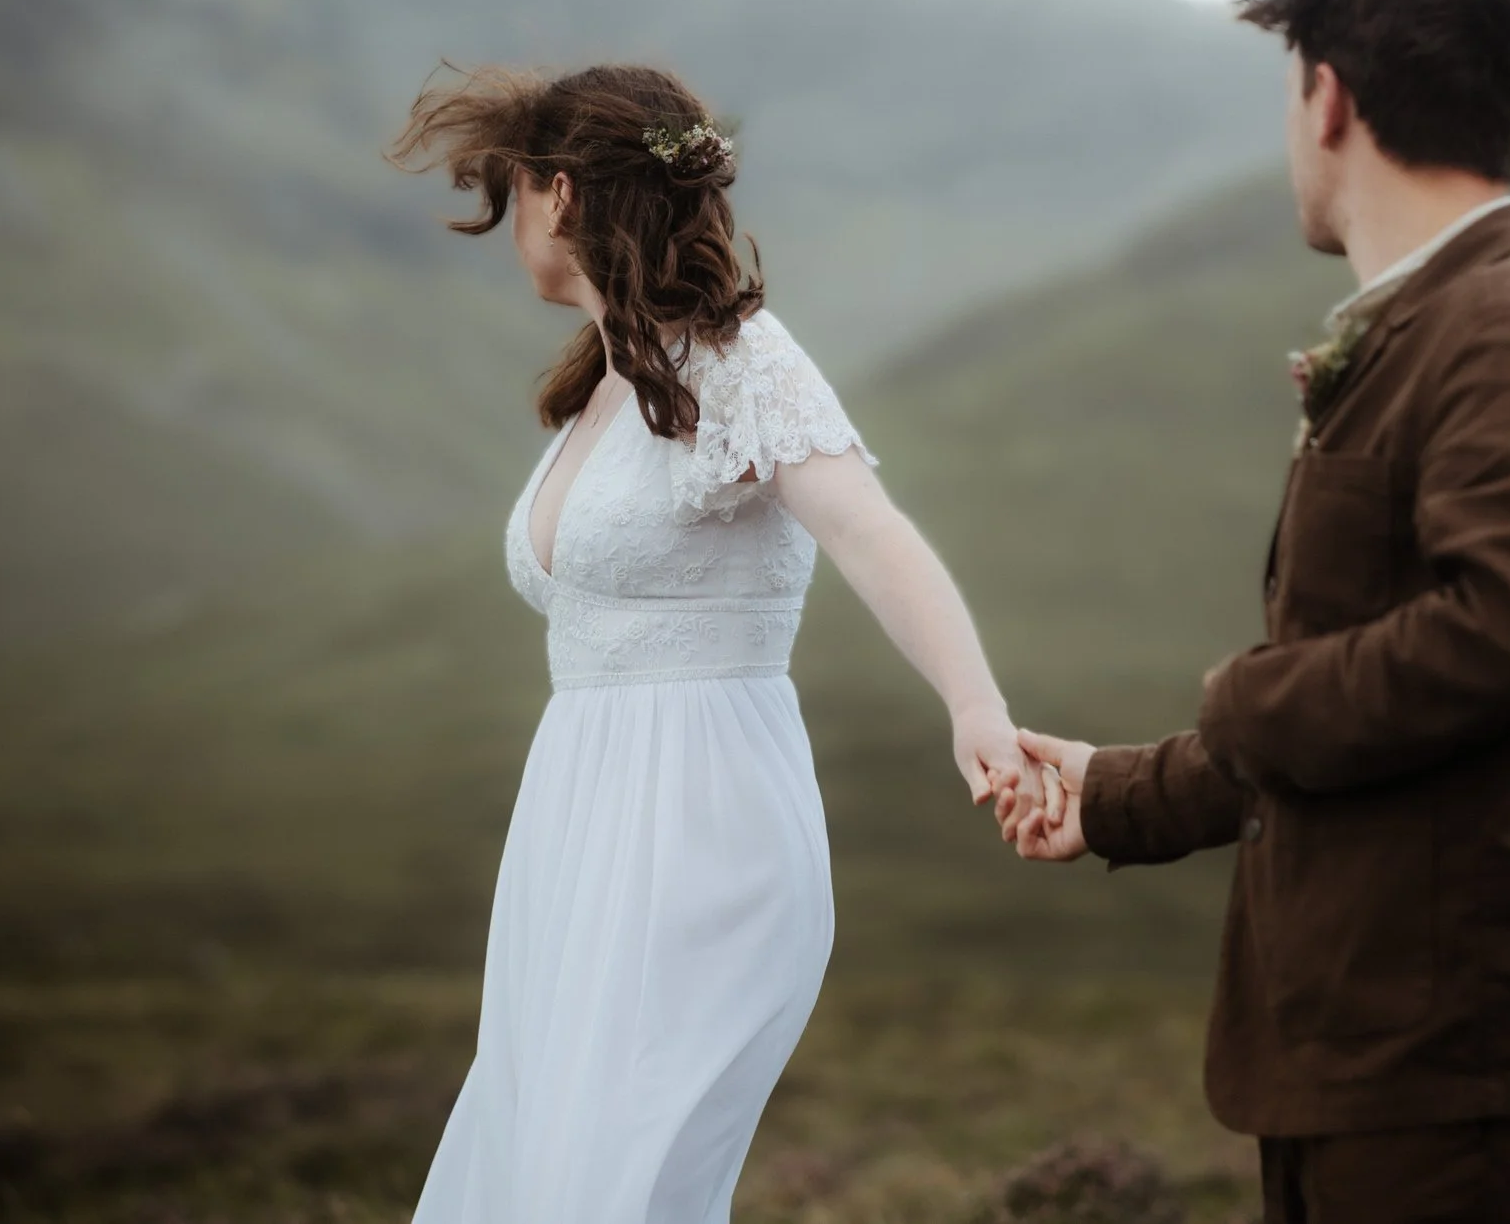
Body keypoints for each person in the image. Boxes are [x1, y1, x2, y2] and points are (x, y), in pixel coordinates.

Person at [1010, 0, 1510, 1224]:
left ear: (1331, 95)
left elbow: (1505, 630)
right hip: (1368, 1054)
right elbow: (1363, 690)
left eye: (1290, 92)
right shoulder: (1442, 318)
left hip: (1453, 1063)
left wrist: (1241, 701)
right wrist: (1118, 794)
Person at [385, 63, 1051, 1223]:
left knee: (616, 1176)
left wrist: (974, 704)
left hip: (700, 819)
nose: (511, 231)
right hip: (576, 824)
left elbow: (869, 531)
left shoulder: (741, 361)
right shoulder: (606, 378)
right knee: (536, 1160)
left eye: (510, 198)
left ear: (554, 193)